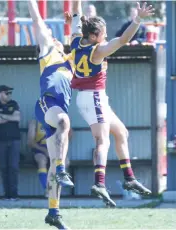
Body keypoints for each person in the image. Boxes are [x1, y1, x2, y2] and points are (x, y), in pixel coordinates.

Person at [66, 0, 153, 207]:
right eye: (103, 32)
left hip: (94, 97)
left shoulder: (76, 39)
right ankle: (100, 183)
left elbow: (76, 12)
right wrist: (138, 19)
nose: (105, 35)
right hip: (92, 96)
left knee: (121, 133)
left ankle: (129, 178)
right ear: (94, 35)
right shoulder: (97, 51)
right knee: (102, 140)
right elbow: (123, 39)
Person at [28, 0, 75, 228]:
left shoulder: (68, 62)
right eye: (50, 33)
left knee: (56, 163)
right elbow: (37, 21)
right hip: (47, 106)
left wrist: (74, 21)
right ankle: (60, 168)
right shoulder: (48, 53)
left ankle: (53, 212)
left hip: (57, 114)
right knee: (65, 121)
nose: (51, 35)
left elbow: (78, 33)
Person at [0, 85, 21, 201]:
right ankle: (6, 195)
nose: (9, 95)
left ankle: (14, 195)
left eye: (9, 93)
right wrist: (9, 117)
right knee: (4, 168)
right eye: (6, 93)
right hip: (0, 141)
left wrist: (2, 115)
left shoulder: (14, 104)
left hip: (14, 140)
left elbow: (17, 118)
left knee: (13, 167)